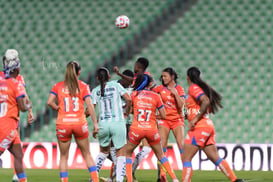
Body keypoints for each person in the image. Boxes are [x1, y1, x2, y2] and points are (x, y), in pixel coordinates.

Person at [182, 67, 244, 182]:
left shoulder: (193, 88)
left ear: (187, 77)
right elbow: (203, 106)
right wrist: (189, 115)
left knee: (186, 158)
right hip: (207, 125)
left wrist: (195, 119)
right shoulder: (200, 89)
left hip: (199, 127)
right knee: (214, 157)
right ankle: (235, 180)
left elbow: (205, 101)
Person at [47, 61, 99, 182]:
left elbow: (49, 102)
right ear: (79, 72)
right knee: (87, 154)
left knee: (64, 157)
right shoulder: (83, 86)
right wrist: (95, 124)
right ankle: (95, 180)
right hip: (79, 123)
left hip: (63, 123)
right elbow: (90, 105)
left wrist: (57, 108)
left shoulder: (58, 86)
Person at [125, 74, 179, 182]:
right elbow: (163, 115)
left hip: (137, 129)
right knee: (161, 155)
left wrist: (130, 111)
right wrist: (153, 116)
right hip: (152, 130)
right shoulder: (156, 96)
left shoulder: (134, 94)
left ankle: (130, 180)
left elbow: (130, 111)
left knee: (127, 153)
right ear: (149, 83)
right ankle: (174, 179)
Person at [114, 57, 154, 181]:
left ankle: (128, 173)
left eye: (136, 65)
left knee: (127, 150)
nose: (134, 67)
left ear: (139, 66)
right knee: (123, 149)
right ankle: (121, 175)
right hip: (131, 118)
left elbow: (134, 82)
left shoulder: (144, 77)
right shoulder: (136, 83)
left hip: (138, 118)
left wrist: (119, 74)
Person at [91, 67, 131, 182]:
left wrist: (92, 122)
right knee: (121, 153)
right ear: (109, 77)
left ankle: (93, 178)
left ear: (97, 78)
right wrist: (126, 114)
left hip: (103, 124)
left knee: (103, 152)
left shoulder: (95, 91)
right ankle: (119, 180)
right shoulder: (115, 85)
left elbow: (90, 109)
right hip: (118, 123)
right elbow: (128, 100)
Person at [0, 57, 32, 182]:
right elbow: (23, 107)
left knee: (19, 155)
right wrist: (29, 106)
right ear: (17, 69)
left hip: (9, 125)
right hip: (7, 125)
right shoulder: (16, 84)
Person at [153, 67, 185, 182]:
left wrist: (175, 94)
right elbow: (150, 95)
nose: (163, 78)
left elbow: (181, 106)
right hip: (164, 119)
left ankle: (186, 176)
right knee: (162, 147)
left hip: (177, 119)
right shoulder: (160, 89)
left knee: (181, 145)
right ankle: (163, 176)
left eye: (165, 76)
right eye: (162, 76)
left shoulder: (179, 89)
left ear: (172, 77)